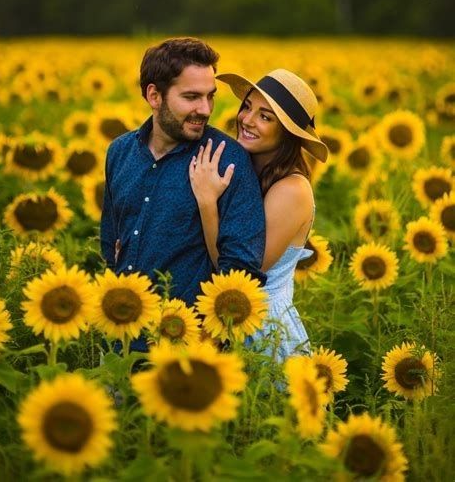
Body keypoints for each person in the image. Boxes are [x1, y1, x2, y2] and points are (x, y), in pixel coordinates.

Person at [100, 37, 266, 350]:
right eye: (191, 97)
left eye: (210, 97)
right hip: (118, 345)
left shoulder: (227, 160)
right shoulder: (119, 153)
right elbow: (111, 243)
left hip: (186, 349)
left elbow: (241, 273)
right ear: (154, 95)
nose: (204, 110)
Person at [189, 68, 328, 361]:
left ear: (288, 133)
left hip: (263, 330)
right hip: (222, 317)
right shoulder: (243, 167)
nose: (247, 121)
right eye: (247, 107)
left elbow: (239, 273)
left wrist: (207, 203)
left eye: (265, 117)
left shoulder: (292, 189)